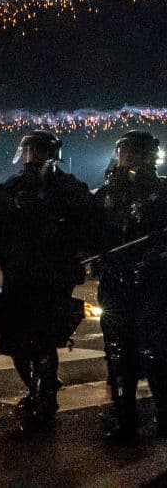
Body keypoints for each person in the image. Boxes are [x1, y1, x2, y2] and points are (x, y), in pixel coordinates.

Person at [0, 131, 97, 432]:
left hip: (51, 275)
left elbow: (89, 224)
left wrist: (75, 251)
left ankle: (44, 398)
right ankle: (40, 387)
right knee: (12, 340)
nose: (32, 157)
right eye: (29, 150)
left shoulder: (68, 188)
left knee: (42, 340)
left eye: (38, 151)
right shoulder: (12, 188)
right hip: (17, 273)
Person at [94, 130, 167, 443]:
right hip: (115, 283)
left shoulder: (163, 191)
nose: (127, 159)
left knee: (154, 351)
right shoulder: (105, 194)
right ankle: (125, 419)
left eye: (134, 153)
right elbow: (90, 232)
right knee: (117, 353)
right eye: (123, 153)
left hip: (153, 283)